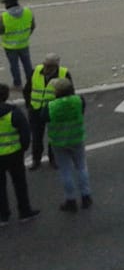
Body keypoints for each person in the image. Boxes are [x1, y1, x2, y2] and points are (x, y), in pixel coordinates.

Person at [47, 77, 91, 213]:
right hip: (77, 138)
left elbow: (43, 118)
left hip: (59, 141)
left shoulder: (51, 105)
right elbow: (81, 111)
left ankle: (70, 200)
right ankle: (86, 196)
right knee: (81, 167)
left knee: (65, 171)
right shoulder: (79, 100)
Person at [24, 53, 70, 170]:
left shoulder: (63, 74)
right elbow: (27, 89)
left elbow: (69, 93)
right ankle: (36, 159)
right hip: (36, 109)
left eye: (50, 67)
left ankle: (53, 158)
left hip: (53, 110)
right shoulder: (36, 71)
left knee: (54, 136)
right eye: (45, 65)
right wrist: (29, 104)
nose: (46, 69)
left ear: (56, 66)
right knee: (36, 136)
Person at [0, 83, 38, 223]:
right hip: (14, 154)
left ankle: (3, 215)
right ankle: (24, 211)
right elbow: (25, 133)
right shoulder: (14, 113)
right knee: (19, 184)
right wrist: (23, 148)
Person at [2, 0, 35, 88]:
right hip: (24, 43)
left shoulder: (4, 17)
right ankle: (31, 82)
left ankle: (17, 83)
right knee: (27, 64)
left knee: (14, 66)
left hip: (10, 46)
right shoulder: (28, 12)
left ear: (7, 4)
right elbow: (32, 26)